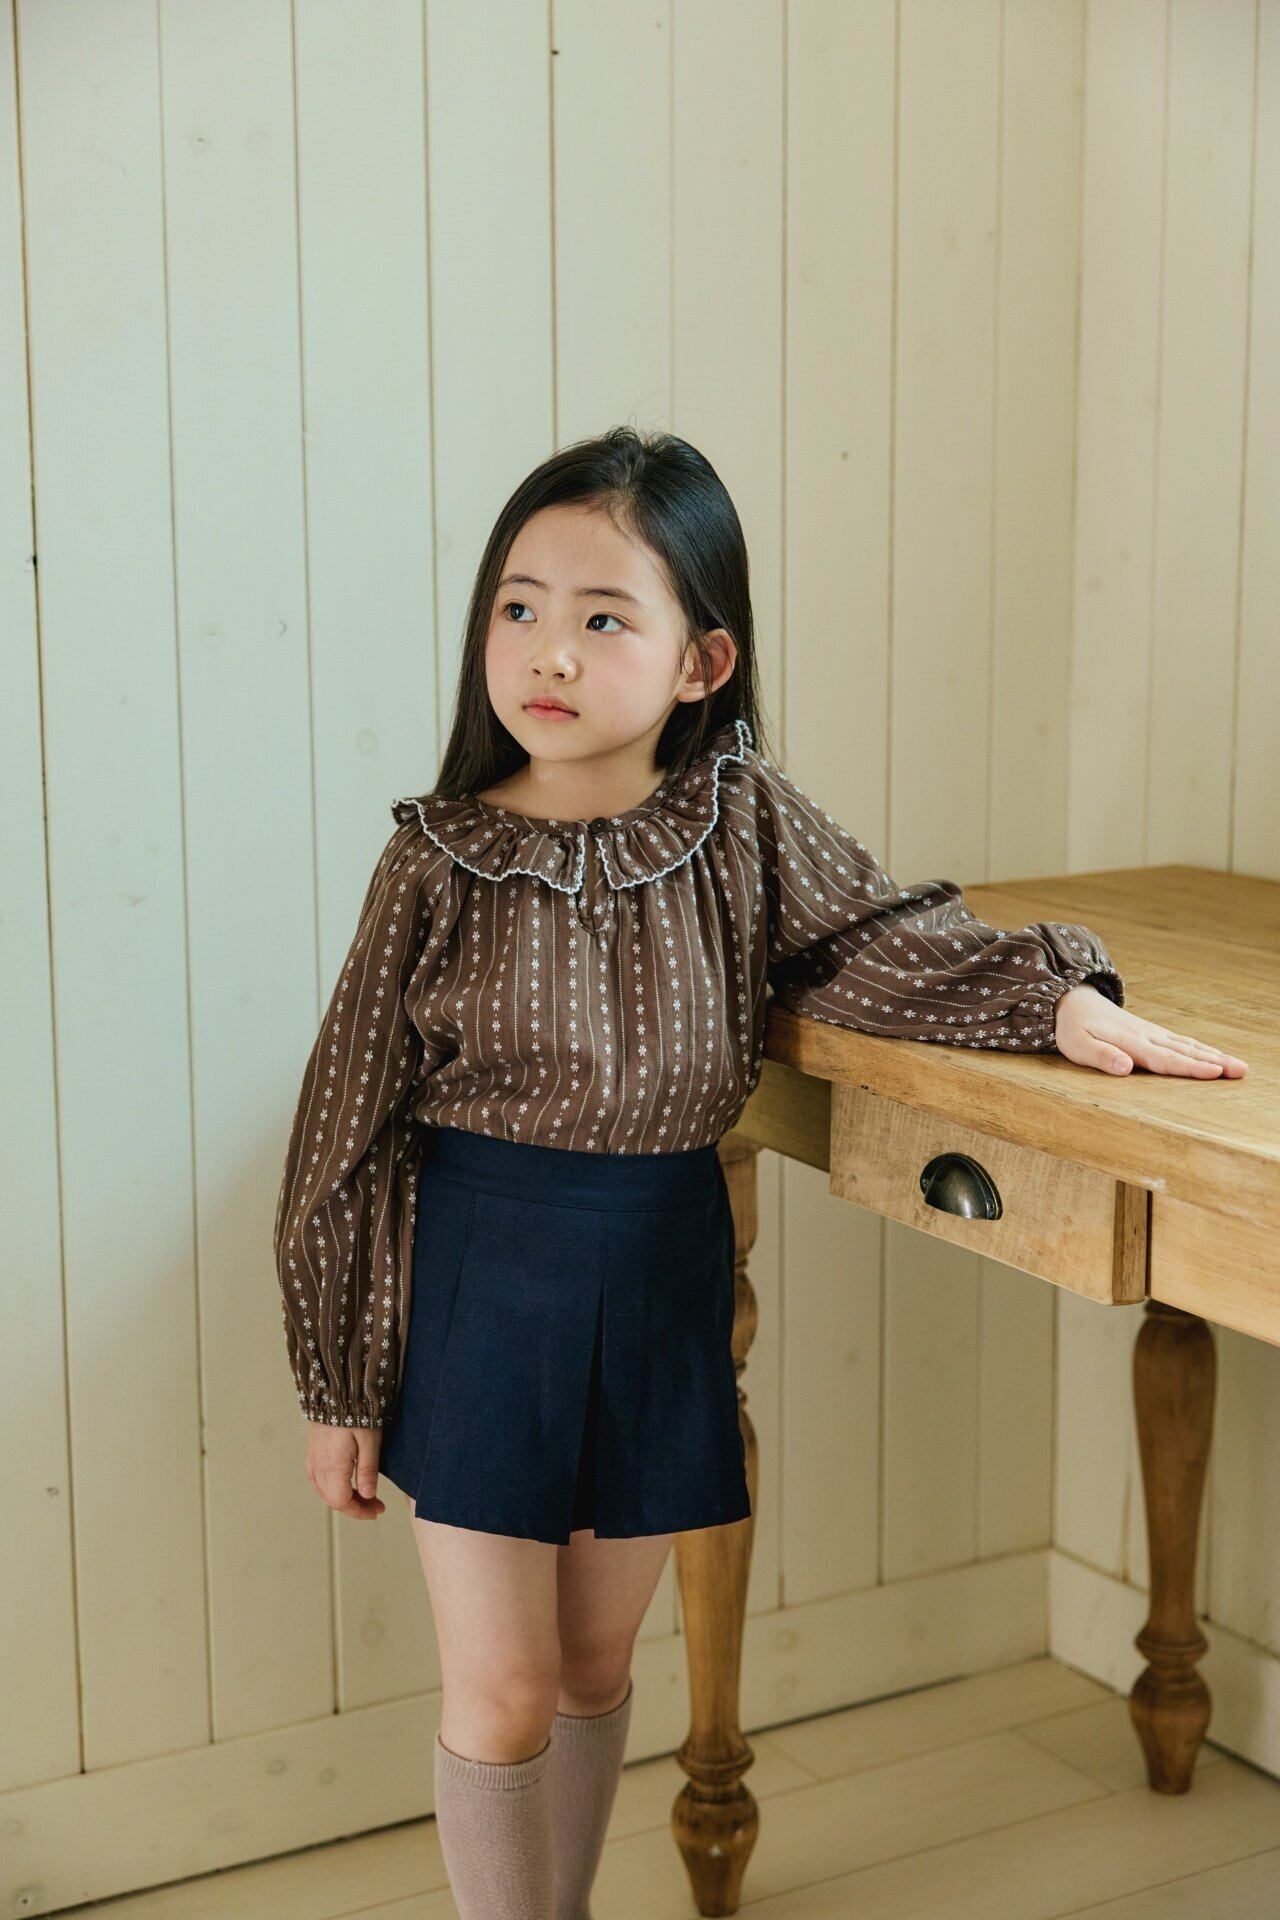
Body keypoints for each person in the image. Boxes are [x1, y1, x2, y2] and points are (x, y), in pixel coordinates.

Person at [272, 425, 1248, 1919]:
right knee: (507, 1686)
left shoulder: (741, 821)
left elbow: (882, 940)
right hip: (483, 1288)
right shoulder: (438, 860)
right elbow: (341, 1127)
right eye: (519, 607)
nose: (548, 650)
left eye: (605, 618)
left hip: (661, 1269)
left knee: (594, 1664)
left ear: (702, 662)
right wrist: (339, 1379)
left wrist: (1052, 1000)